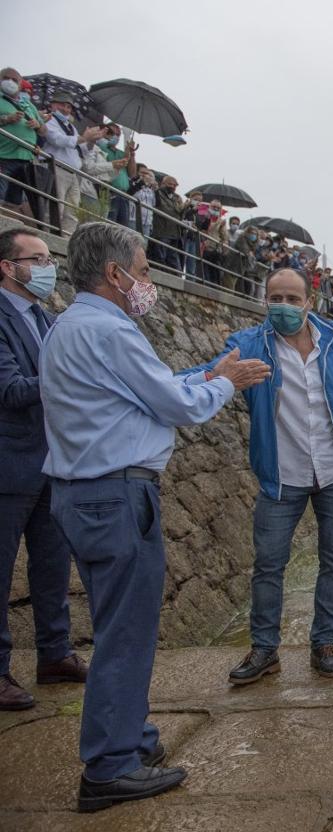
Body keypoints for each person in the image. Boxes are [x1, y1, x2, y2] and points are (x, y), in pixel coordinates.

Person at [39, 223, 270, 811]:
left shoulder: (69, 325)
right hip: (115, 495)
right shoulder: (112, 331)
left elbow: (149, 392)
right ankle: (110, 767)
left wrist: (206, 374)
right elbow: (175, 405)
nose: (148, 282)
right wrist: (224, 383)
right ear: (115, 274)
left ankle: (129, 739)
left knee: (117, 622)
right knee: (126, 633)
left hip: (81, 493)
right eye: (142, 271)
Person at [181, 267, 333, 684]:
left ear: (309, 302)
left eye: (292, 299)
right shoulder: (248, 345)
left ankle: (324, 643)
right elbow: (207, 373)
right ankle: (264, 650)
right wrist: (168, 385)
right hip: (281, 478)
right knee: (268, 565)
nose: (283, 306)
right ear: (265, 300)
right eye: (275, 297)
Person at [0, 229, 88, 711]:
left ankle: (55, 654)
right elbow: (12, 390)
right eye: (35, 258)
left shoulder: (47, 318)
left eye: (47, 257)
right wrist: (68, 373)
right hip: (10, 465)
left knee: (53, 565)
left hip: (54, 462)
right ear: (7, 267)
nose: (46, 266)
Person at [0, 68, 47, 226]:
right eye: (6, 78)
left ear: (20, 85)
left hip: (25, 159)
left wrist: (37, 124)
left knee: (14, 199)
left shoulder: (28, 105)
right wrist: (7, 119)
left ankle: (7, 230)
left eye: (15, 80)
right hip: (3, 156)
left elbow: (44, 131)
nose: (10, 82)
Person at [40, 91, 84, 237]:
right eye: (63, 105)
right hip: (56, 168)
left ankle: (66, 242)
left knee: (72, 213)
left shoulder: (72, 127)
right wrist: (83, 139)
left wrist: (92, 138)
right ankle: (48, 238)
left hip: (72, 173)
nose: (66, 110)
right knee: (54, 209)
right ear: (53, 105)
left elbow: (79, 146)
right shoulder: (48, 121)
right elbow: (57, 140)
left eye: (69, 107)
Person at [148, 175, 184, 272]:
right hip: (161, 231)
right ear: (163, 184)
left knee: (173, 260)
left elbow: (179, 214)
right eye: (170, 184)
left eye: (175, 185)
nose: (172, 187)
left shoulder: (177, 198)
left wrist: (187, 208)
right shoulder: (157, 193)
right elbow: (162, 208)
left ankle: (175, 280)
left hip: (175, 233)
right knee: (160, 257)